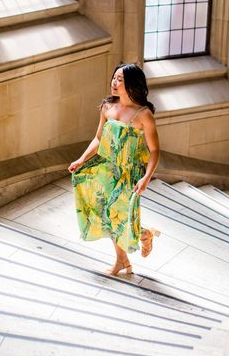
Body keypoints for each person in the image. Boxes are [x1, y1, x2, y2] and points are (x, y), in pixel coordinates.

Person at [68, 63, 161, 276]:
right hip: (106, 168)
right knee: (106, 213)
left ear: (132, 84)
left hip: (129, 173)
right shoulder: (107, 107)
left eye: (120, 79)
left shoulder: (143, 114)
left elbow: (155, 151)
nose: (114, 82)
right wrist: (81, 160)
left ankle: (143, 236)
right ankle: (124, 260)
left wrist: (146, 178)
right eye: (114, 78)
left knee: (119, 217)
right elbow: (99, 138)